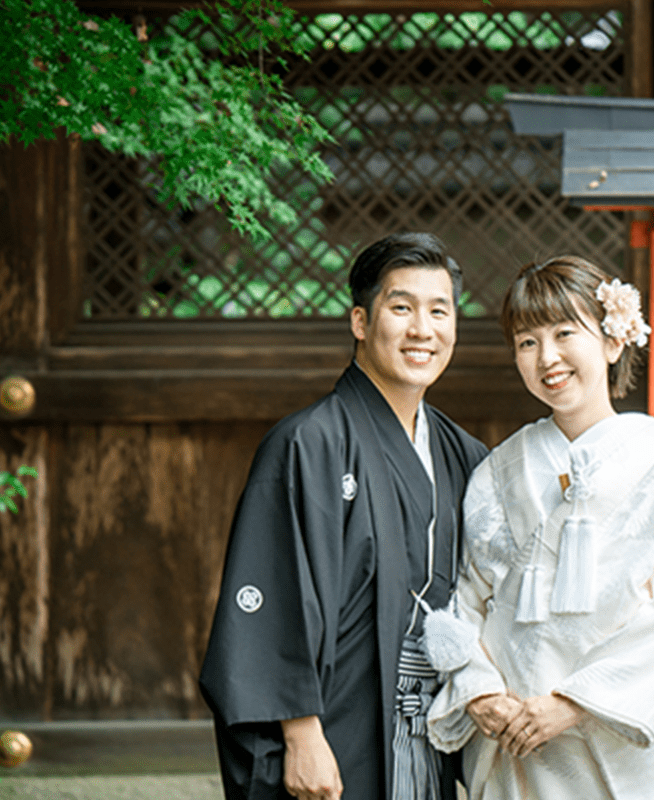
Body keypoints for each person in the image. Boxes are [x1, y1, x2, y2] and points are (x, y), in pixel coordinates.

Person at [425, 256, 654, 799]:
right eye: (527, 342)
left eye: (565, 333)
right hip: (522, 740)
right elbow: (466, 599)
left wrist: (575, 702)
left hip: (626, 737)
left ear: (613, 342)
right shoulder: (499, 471)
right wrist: (480, 691)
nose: (547, 357)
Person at [200, 232, 488, 800]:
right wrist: (301, 734)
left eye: (439, 311)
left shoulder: (463, 454)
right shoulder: (309, 444)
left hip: (429, 728)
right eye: (401, 308)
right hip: (335, 725)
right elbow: (273, 597)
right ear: (360, 320)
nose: (422, 329)